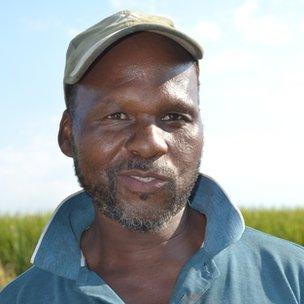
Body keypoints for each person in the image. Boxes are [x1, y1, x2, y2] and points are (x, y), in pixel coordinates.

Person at [0, 10, 303, 304]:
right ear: (68, 134)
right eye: (117, 115)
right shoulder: (19, 299)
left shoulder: (294, 280)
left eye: (174, 116)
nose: (149, 144)